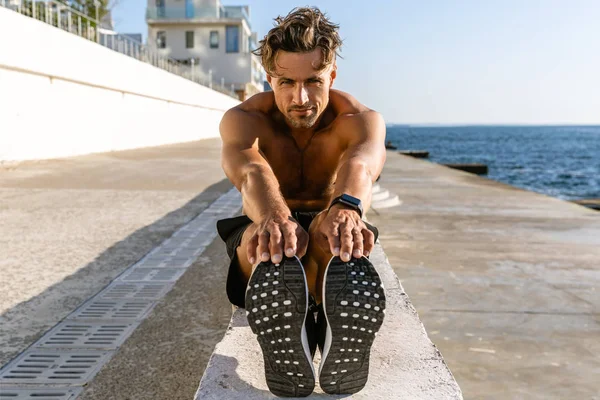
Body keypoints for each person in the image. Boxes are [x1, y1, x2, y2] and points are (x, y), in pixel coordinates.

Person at [216, 7, 386, 397]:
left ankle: (322, 318)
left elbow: (361, 163)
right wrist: (274, 217)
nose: (301, 98)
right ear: (269, 78)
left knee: (339, 242)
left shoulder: (359, 119)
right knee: (269, 247)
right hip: (265, 225)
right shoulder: (244, 119)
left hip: (330, 221)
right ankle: (310, 322)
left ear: (332, 76)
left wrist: (345, 208)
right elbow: (250, 171)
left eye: (313, 81)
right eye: (287, 83)